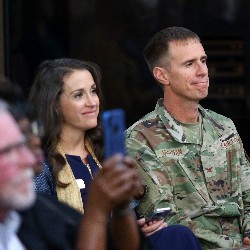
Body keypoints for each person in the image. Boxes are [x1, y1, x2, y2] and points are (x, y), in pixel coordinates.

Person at [29, 58, 202, 250]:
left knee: (178, 235)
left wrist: (134, 229)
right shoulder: (40, 164)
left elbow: (127, 212)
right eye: (78, 95)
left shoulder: (107, 152)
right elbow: (44, 235)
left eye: (93, 91)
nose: (92, 102)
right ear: (54, 104)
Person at [125, 26, 250, 249]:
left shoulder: (224, 126)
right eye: (189, 64)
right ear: (162, 75)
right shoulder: (140, 139)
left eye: (203, 60)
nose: (203, 71)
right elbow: (166, 223)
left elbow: (248, 196)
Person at [0, 99, 150, 250]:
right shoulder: (44, 179)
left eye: (22, 146)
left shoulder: (37, 211)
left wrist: (121, 207)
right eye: (8, 152)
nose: (29, 159)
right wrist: (96, 210)